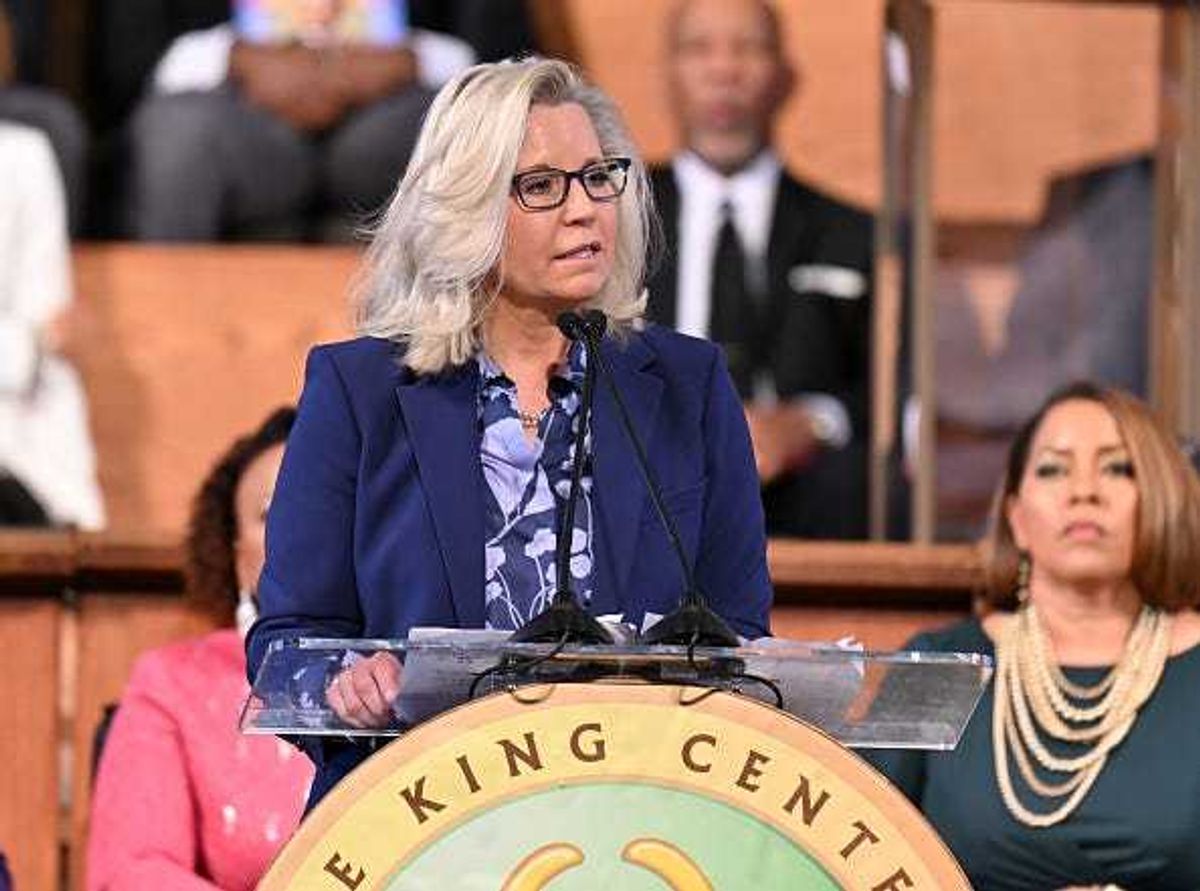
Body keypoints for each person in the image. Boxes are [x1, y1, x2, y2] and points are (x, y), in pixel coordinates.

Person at [246, 57, 774, 808]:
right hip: (420, 814)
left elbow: (736, 632)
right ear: (467, 208)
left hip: (638, 808)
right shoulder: (360, 392)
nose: (586, 208)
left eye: (598, 176)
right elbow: (288, 642)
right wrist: (344, 682)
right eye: (540, 186)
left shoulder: (687, 387)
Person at [867, 382, 1200, 890]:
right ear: (1017, 518)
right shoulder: (934, 667)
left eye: (1117, 467)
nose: (1083, 490)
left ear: (1158, 499)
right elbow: (849, 854)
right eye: (1052, 469)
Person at [646, 0, 874, 539]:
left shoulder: (854, 234)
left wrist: (809, 422)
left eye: (748, 48)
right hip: (642, 489)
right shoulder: (612, 220)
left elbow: (895, 394)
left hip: (800, 501)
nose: (724, 69)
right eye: (699, 49)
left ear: (786, 77)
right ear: (670, 76)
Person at [88, 408, 312, 890]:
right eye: (273, 514)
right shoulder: (174, 682)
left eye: (323, 505)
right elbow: (132, 872)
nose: (299, 532)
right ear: (237, 557)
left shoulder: (417, 674)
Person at [98, 0, 473, 240]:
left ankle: (462, 345)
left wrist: (411, 59)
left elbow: (494, 55)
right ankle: (166, 321)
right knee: (177, 129)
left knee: (466, 120)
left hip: (394, 120)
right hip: (246, 123)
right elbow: (137, 70)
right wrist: (236, 58)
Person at [0, 122, 103, 528]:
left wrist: (28, 345)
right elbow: (28, 344)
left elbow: (47, 331)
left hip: (21, 473)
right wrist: (23, 344)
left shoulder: (22, 157)